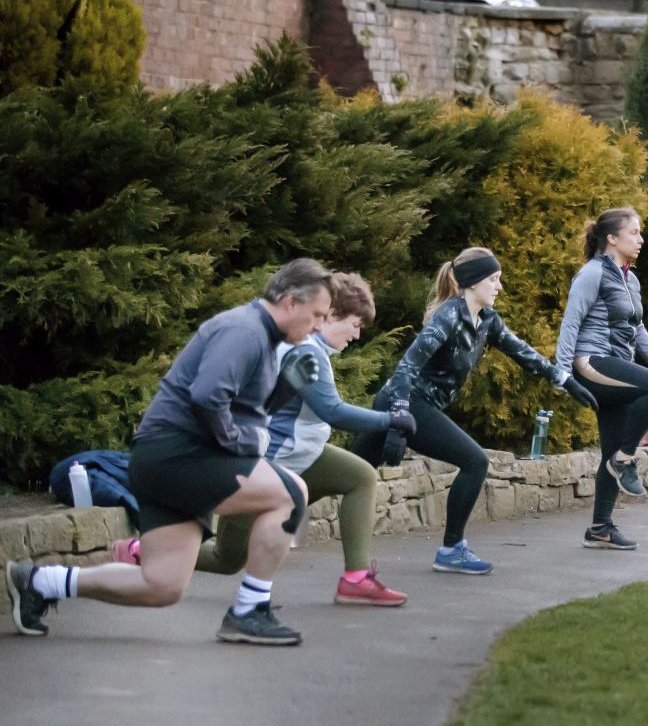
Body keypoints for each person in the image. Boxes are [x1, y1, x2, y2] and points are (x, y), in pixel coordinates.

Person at [7, 259, 334, 644]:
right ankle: (249, 611)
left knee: (162, 585)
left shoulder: (260, 338)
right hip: (178, 456)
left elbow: (241, 407)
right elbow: (207, 398)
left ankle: (39, 581)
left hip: (165, 461)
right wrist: (237, 448)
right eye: (316, 315)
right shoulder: (244, 330)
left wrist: (282, 391)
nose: (317, 326)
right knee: (291, 493)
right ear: (291, 302)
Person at [112, 273, 418, 606]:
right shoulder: (305, 352)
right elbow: (332, 410)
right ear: (330, 314)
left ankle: (356, 579)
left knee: (360, 477)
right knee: (228, 560)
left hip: (305, 457)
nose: (357, 335)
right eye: (355, 324)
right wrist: (392, 419)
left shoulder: (315, 350)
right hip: (269, 463)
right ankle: (143, 553)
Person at [353, 248, 597, 575]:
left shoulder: (486, 321)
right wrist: (398, 423)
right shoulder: (449, 316)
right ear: (472, 283)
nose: (499, 287)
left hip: (411, 407)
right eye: (494, 280)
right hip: (407, 403)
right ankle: (452, 550)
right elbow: (405, 370)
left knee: (351, 473)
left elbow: (523, 353)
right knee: (474, 461)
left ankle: (274, 516)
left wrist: (566, 381)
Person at [557, 207, 648, 549]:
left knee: (610, 452)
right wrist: (563, 372)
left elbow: (636, 328)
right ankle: (626, 459)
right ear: (612, 239)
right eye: (634, 233)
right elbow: (571, 321)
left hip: (615, 364)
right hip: (591, 361)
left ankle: (600, 527)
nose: (641, 239)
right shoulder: (592, 273)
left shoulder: (630, 279)